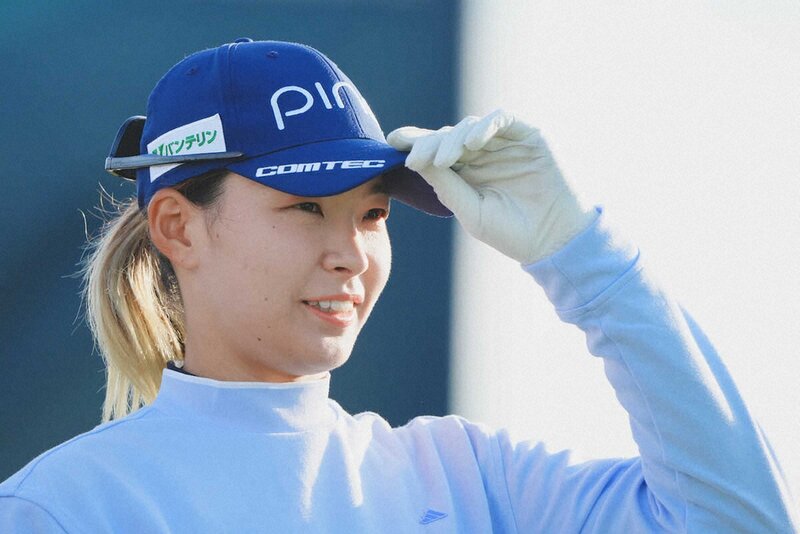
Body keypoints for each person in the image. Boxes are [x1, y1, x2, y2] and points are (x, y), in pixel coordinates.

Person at [0, 38, 796, 533]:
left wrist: (582, 254)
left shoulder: (469, 475)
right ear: (177, 227)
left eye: (373, 214)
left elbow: (743, 522)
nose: (351, 253)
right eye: (305, 206)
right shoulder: (63, 509)